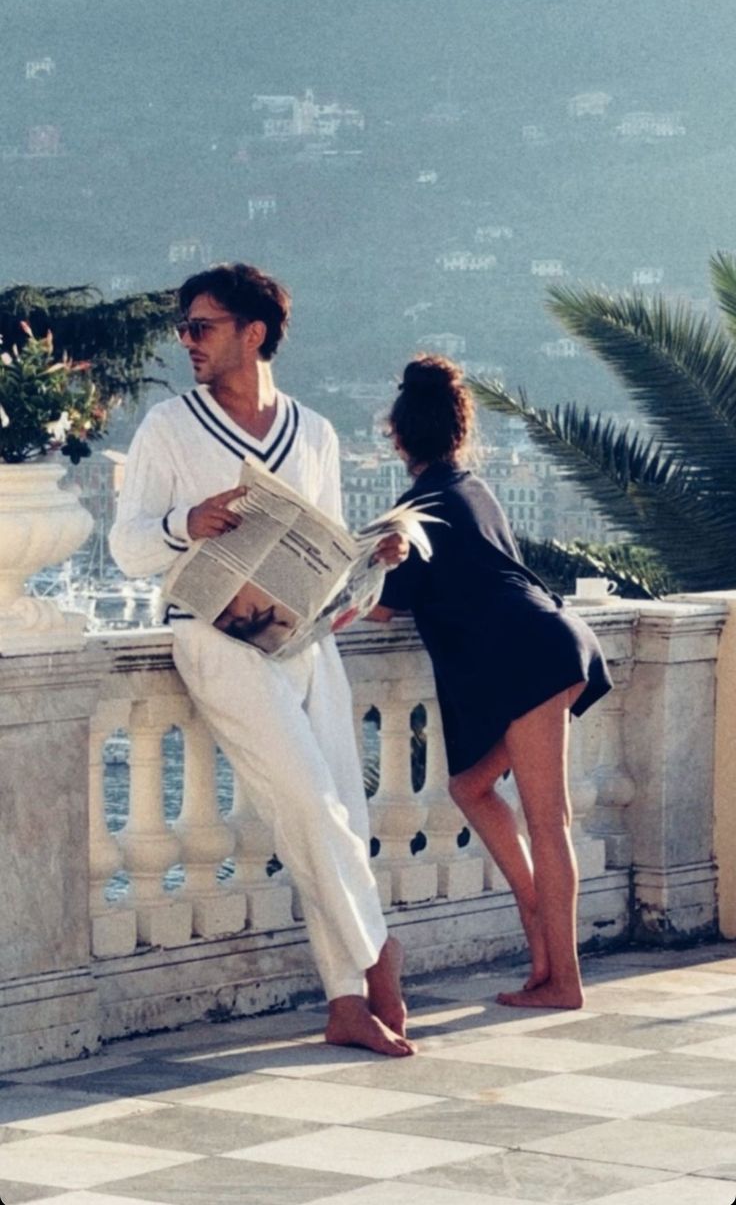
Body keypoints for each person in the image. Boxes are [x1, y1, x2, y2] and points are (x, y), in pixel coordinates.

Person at [109, 262, 415, 1056]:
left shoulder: (312, 431)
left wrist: (368, 558)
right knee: (310, 805)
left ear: (254, 332)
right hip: (211, 634)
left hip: (303, 639)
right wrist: (188, 521)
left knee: (334, 807)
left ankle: (345, 1001)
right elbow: (128, 547)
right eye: (184, 328)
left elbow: (329, 544)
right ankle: (380, 954)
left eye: (202, 327)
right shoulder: (167, 428)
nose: (188, 342)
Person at [369, 355, 613, 1010]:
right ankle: (538, 927)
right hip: (550, 642)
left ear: (398, 435)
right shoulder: (472, 487)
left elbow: (381, 608)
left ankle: (564, 981)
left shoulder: (415, 509)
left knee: (549, 821)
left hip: (530, 660)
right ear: (458, 429)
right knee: (470, 785)